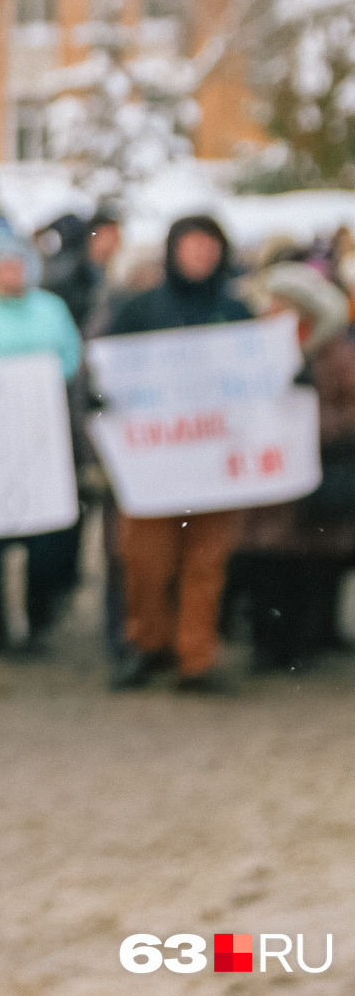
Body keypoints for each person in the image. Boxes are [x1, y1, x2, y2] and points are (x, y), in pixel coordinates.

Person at [104, 215, 253, 694]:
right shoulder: (139, 310)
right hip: (154, 466)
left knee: (206, 562)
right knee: (146, 561)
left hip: (214, 465)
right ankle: (149, 645)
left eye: (210, 247)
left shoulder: (235, 311)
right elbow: (108, 371)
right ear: (173, 251)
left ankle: (196, 656)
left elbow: (259, 374)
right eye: (192, 246)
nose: (201, 256)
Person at [231, 262, 355, 671]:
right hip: (268, 481)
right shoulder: (255, 347)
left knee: (309, 564)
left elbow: (347, 411)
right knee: (267, 563)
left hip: (314, 476)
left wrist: (307, 423)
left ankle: (302, 642)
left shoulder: (334, 352)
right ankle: (269, 643)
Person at [0, 229, 84, 654]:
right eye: (2, 265)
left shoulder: (50, 308)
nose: (11, 272)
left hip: (44, 435)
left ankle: (39, 618)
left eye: (17, 263)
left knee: (46, 534)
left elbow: (71, 358)